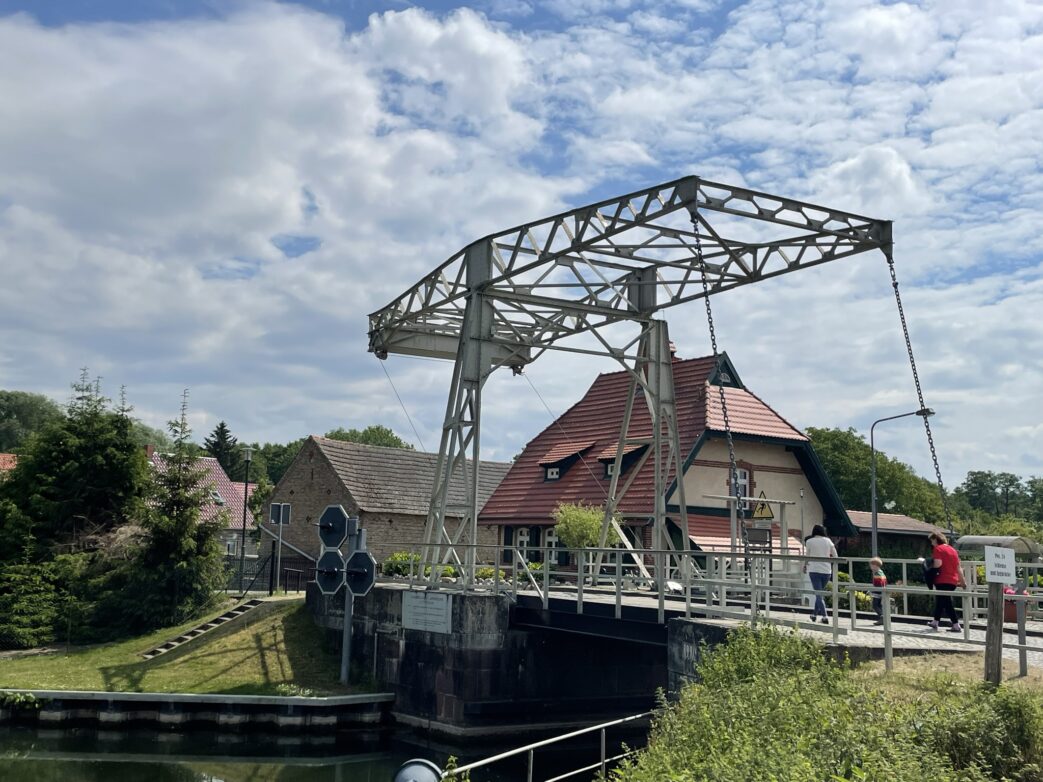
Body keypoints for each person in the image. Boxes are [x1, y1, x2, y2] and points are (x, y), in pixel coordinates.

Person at [927, 531, 964, 632]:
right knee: (941, 600)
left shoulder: (938, 549)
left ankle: (956, 624)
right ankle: (935, 622)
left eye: (932, 540)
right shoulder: (953, 550)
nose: (931, 543)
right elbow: (958, 568)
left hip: (942, 579)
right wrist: (962, 582)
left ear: (935, 539)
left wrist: (927, 565)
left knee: (946, 602)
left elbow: (938, 564)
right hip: (953, 581)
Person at [803, 525, 837, 624]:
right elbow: (835, 555)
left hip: (814, 570)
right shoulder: (828, 541)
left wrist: (805, 565)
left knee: (818, 594)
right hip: (826, 570)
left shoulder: (809, 542)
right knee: (820, 593)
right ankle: (814, 614)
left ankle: (825, 616)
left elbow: (807, 556)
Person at [869, 556, 887, 625]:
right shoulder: (881, 572)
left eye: (871, 565)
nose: (871, 567)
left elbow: (878, 584)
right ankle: (882, 618)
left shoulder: (877, 573)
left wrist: (872, 590)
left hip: (878, 592)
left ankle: (882, 617)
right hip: (881, 591)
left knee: (875, 605)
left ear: (875, 565)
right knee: (879, 605)